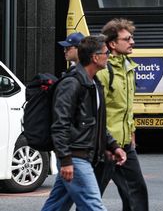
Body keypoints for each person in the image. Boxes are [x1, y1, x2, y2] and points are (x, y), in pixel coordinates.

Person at [41, 35, 127, 211]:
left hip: (82, 156)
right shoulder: (72, 83)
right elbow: (60, 124)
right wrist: (66, 160)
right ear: (95, 57)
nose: (109, 56)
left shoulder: (93, 83)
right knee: (93, 206)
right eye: (106, 53)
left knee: (56, 206)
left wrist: (113, 146)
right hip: (75, 157)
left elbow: (95, 123)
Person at [94, 19, 149, 211]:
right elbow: (97, 110)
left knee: (136, 191)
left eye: (131, 38)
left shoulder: (129, 68)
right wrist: (107, 143)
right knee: (91, 196)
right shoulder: (104, 71)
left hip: (125, 144)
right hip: (106, 145)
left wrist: (131, 133)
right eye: (127, 39)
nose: (132, 42)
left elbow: (127, 107)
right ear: (112, 44)